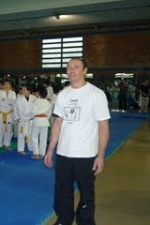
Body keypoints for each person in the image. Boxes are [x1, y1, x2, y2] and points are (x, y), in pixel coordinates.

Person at [44, 58, 110, 225]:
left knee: (87, 193)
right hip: (64, 154)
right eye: (69, 67)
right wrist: (51, 150)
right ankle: (64, 219)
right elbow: (58, 123)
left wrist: (101, 156)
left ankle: (85, 221)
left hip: (86, 155)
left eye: (76, 67)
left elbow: (103, 125)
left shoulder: (96, 94)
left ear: (85, 70)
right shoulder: (63, 94)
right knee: (63, 191)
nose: (71, 70)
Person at [0, 79, 16, 151]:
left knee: (9, 130)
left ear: (10, 85)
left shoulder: (13, 93)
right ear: (3, 85)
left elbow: (14, 103)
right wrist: (9, 101)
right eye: (5, 84)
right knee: (0, 129)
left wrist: (5, 100)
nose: (7, 85)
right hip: (1, 114)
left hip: (9, 114)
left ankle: (7, 144)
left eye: (8, 84)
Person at [14, 85, 36, 155]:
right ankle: (20, 149)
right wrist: (17, 117)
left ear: (29, 91)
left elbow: (36, 108)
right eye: (22, 89)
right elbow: (15, 108)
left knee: (30, 134)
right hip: (22, 119)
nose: (22, 91)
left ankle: (31, 147)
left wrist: (34, 116)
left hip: (31, 119)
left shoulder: (34, 98)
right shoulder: (19, 98)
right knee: (21, 134)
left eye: (24, 89)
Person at [31, 86, 51, 159]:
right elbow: (49, 114)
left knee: (34, 137)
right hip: (45, 121)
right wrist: (44, 117)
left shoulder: (36, 101)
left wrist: (35, 116)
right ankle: (42, 153)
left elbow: (33, 112)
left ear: (38, 93)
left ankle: (36, 153)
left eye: (36, 92)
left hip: (37, 120)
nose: (35, 93)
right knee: (43, 138)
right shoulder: (48, 102)